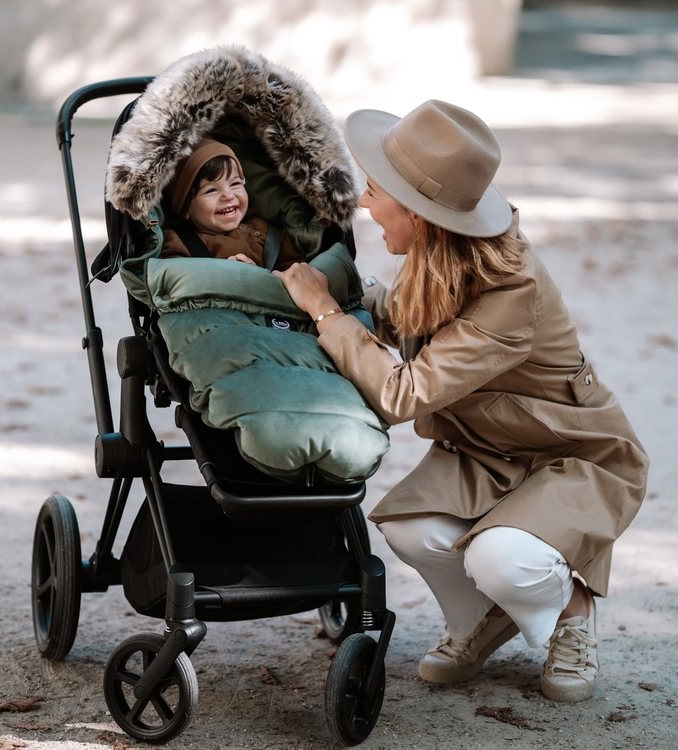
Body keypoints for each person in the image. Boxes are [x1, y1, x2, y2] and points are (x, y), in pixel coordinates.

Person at [274, 99, 649, 702]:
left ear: (419, 216)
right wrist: (323, 285)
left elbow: (403, 393)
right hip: (489, 452)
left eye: (375, 191)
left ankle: (572, 609)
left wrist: (324, 310)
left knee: (502, 559)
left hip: (568, 457)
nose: (365, 202)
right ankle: (482, 619)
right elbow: (401, 318)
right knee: (412, 528)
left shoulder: (511, 294)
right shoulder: (443, 253)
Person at [161, 138, 306, 270]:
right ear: (185, 208)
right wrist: (227, 277)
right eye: (211, 190)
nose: (229, 196)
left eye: (235, 183)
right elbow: (177, 279)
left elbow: (296, 270)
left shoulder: (268, 232)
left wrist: (264, 277)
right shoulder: (178, 243)